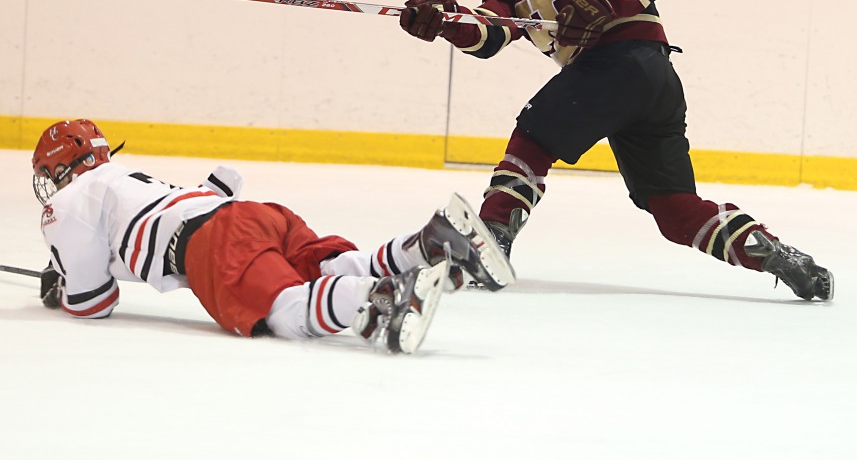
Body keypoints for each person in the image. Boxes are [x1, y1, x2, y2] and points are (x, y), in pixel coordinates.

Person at [399, 0, 833, 302]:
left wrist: (603, 2)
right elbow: (488, 36)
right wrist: (443, 21)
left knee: (533, 135)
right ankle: (780, 256)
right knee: (674, 211)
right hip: (644, 83)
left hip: (623, 61)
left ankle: (491, 238)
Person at [32, 119, 515, 353]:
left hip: (211, 243)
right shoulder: (123, 177)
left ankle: (379, 297)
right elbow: (217, 187)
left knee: (282, 308)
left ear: (61, 168)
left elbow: (93, 301)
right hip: (258, 217)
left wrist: (62, 286)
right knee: (324, 265)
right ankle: (424, 246)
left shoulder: (66, 202)